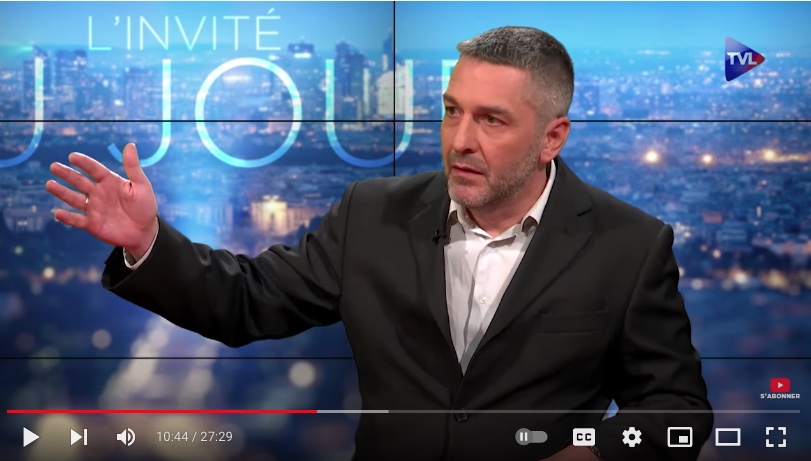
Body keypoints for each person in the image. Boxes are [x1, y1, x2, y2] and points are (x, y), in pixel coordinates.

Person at [46, 26, 712, 461]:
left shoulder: (628, 244)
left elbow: (677, 412)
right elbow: (246, 302)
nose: (460, 140)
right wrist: (147, 241)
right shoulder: (372, 214)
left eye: (491, 120)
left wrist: (592, 452)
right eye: (452, 111)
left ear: (552, 138)